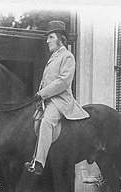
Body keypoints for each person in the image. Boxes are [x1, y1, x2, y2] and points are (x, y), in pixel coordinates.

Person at [25, 20, 90, 175]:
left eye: (51, 37)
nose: (47, 41)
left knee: (47, 122)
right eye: (48, 38)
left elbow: (63, 82)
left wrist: (42, 93)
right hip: (47, 100)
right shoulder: (54, 56)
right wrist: (40, 96)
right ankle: (33, 156)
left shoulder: (67, 56)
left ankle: (39, 164)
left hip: (60, 101)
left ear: (61, 39)